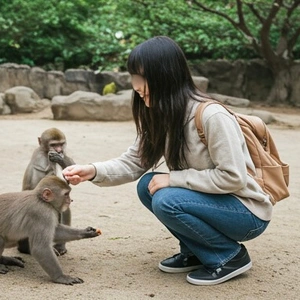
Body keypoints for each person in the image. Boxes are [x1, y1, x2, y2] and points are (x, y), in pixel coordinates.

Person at [62, 36, 272, 285]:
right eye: (133, 75)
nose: (135, 84)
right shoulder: (163, 113)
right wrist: (92, 171)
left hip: (245, 212)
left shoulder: (211, 116)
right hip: (216, 203)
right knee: (147, 185)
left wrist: (174, 178)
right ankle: (196, 251)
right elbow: (134, 161)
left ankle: (229, 257)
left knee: (166, 197)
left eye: (140, 75)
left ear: (165, 74)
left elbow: (233, 177)